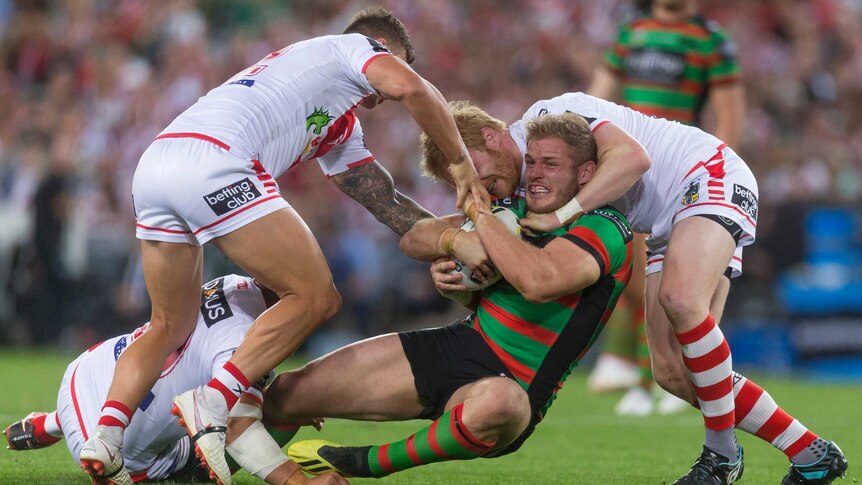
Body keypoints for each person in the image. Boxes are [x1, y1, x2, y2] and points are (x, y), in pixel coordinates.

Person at [80, 7, 489, 485]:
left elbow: (388, 206)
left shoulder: (337, 120)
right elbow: (414, 88)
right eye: (402, 60)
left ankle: (105, 437)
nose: (398, 79)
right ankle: (213, 403)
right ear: (383, 48)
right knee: (316, 297)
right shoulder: (350, 48)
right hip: (218, 160)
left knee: (169, 325)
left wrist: (454, 239)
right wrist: (463, 168)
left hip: (157, 165)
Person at [415, 95, 847, 484]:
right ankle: (810, 453)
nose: (484, 193)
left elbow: (634, 159)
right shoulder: (520, 186)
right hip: (663, 224)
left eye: (482, 179)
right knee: (675, 372)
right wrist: (460, 275)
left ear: (491, 137)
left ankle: (720, 458)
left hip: (705, 174)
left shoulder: (549, 116)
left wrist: (563, 213)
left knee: (680, 299)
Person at [220, 114, 632, 480]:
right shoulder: (516, 206)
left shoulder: (606, 227)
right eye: (535, 161)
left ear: (586, 174)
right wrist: (455, 244)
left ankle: (367, 462)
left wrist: (479, 217)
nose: (536, 174)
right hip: (459, 346)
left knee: (502, 402)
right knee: (287, 394)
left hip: (515, 385)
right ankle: (210, 470)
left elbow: (538, 282)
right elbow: (416, 238)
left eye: (552, 165)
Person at [3, 274, 347, 485]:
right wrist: (297, 480)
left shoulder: (233, 284)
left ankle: (54, 421)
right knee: (215, 444)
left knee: (260, 398)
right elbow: (239, 428)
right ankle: (64, 425)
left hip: (93, 368)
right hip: (121, 449)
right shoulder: (244, 339)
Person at [586, 0, 746, 416]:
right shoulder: (630, 34)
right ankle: (647, 374)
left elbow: (729, 115)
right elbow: (597, 97)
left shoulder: (710, 41)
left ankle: (649, 377)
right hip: (628, 165)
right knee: (641, 283)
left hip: (678, 168)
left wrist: (715, 170)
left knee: (670, 287)